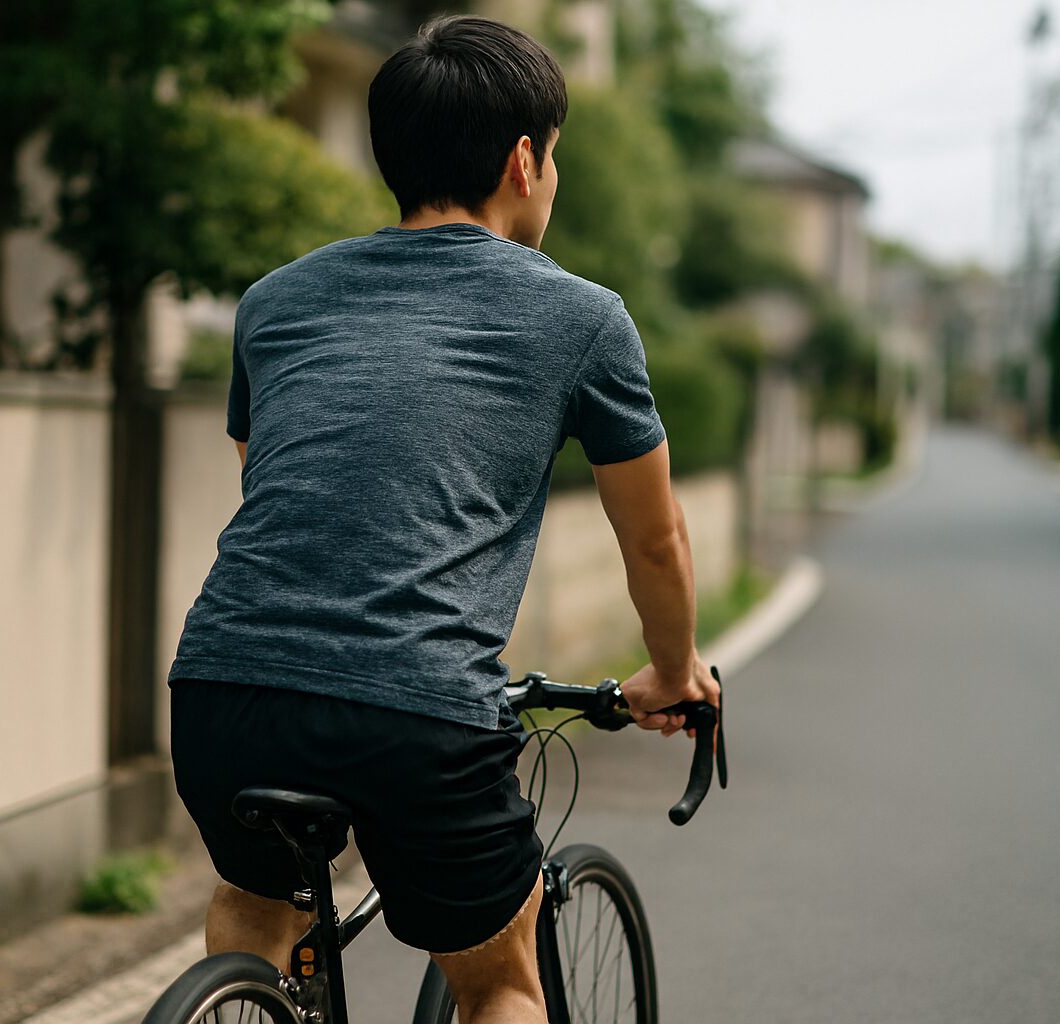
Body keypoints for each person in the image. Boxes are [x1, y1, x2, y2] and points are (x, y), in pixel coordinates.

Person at [167, 14, 720, 1024]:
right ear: (523, 160)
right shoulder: (583, 318)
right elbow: (654, 537)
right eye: (555, 158)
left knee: (256, 900)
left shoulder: (275, 302)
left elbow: (280, 488)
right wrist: (677, 672)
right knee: (500, 981)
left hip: (221, 686)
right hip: (414, 708)